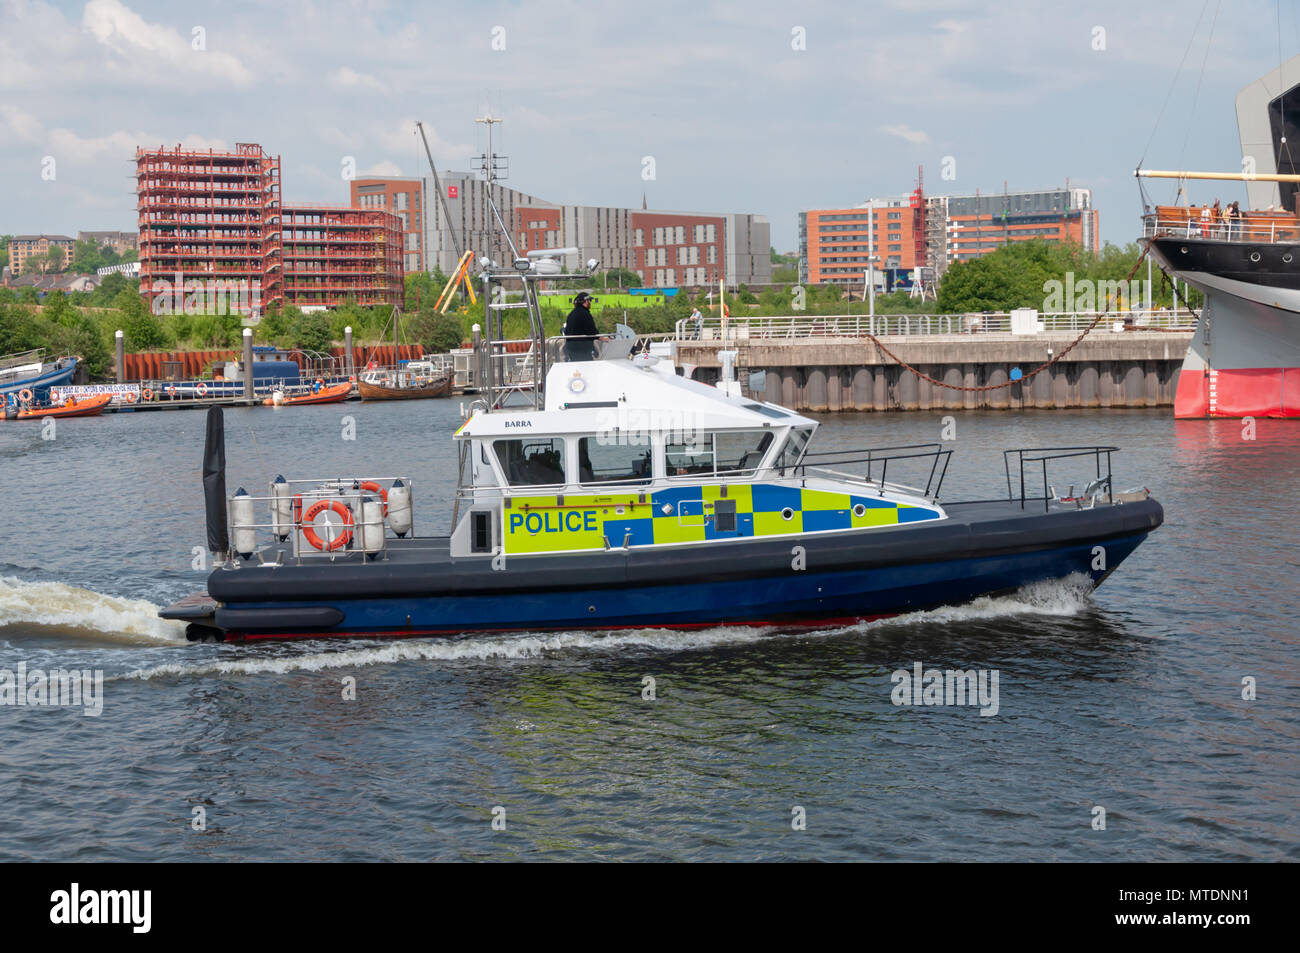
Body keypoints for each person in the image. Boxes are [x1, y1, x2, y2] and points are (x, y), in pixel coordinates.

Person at [563, 291, 600, 361]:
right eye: (589, 300)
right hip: (583, 349)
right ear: (586, 301)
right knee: (588, 368)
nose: (590, 302)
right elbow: (591, 331)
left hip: (571, 349)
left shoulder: (571, 314)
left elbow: (567, 331)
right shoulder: (585, 314)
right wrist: (601, 337)